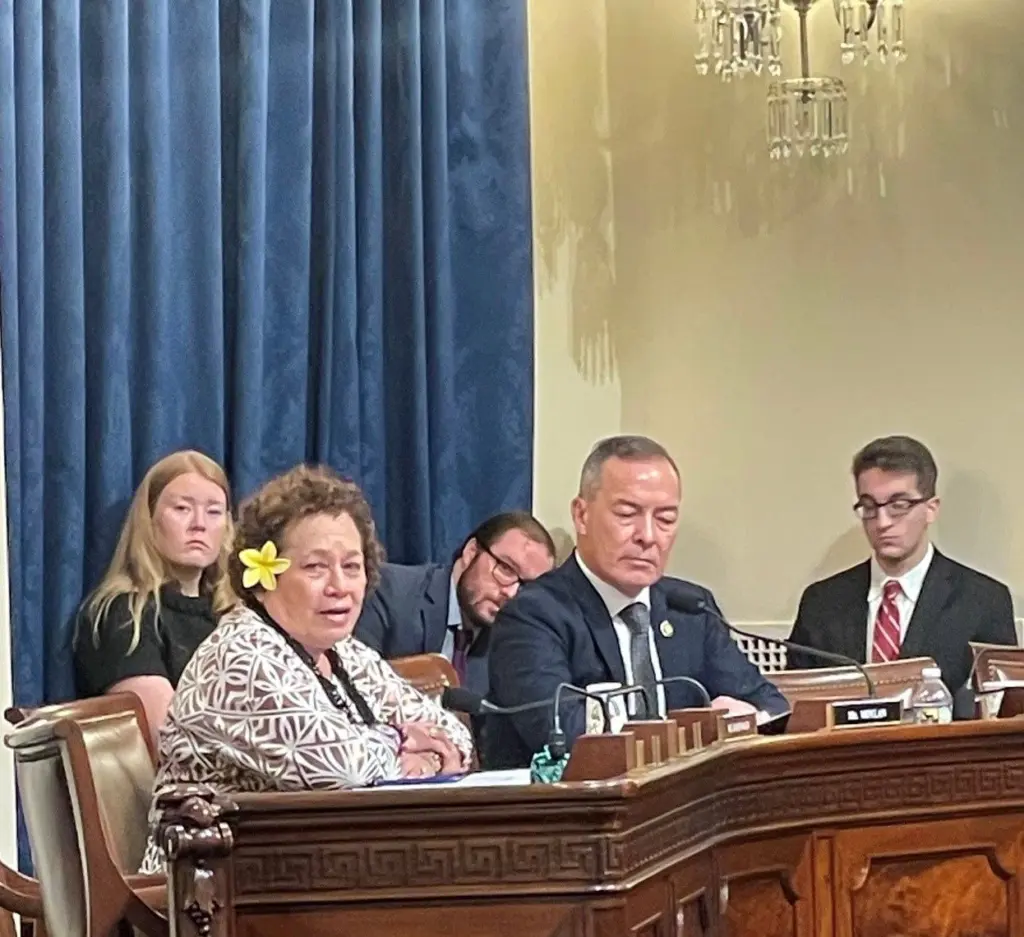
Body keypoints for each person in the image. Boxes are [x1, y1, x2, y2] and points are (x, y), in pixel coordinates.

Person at [139, 464, 472, 872]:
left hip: (308, 873)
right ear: (264, 579)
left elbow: (455, 736)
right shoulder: (240, 657)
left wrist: (427, 752)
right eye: (315, 567)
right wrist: (402, 739)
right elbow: (344, 771)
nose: (339, 586)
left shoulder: (344, 653)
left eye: (352, 567)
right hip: (211, 893)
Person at [485, 435, 787, 769]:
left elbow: (770, 705)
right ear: (581, 515)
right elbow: (566, 739)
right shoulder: (534, 615)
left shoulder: (690, 608)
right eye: (628, 514)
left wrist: (748, 718)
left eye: (666, 519)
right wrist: (702, 735)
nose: (648, 536)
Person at [788, 435, 1016, 716]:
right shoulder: (822, 602)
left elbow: (998, 712)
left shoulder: (983, 600)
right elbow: (794, 709)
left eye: (898, 505)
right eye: (870, 507)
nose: (882, 522)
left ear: (931, 509)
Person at [73, 450, 237, 743]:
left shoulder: (235, 615)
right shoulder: (124, 614)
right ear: (149, 520)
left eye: (213, 511)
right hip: (180, 782)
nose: (199, 524)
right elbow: (170, 736)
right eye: (182, 509)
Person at [354, 512, 556, 697]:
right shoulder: (389, 591)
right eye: (506, 569)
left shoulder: (511, 639)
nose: (511, 593)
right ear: (471, 552)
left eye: (527, 586)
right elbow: (354, 690)